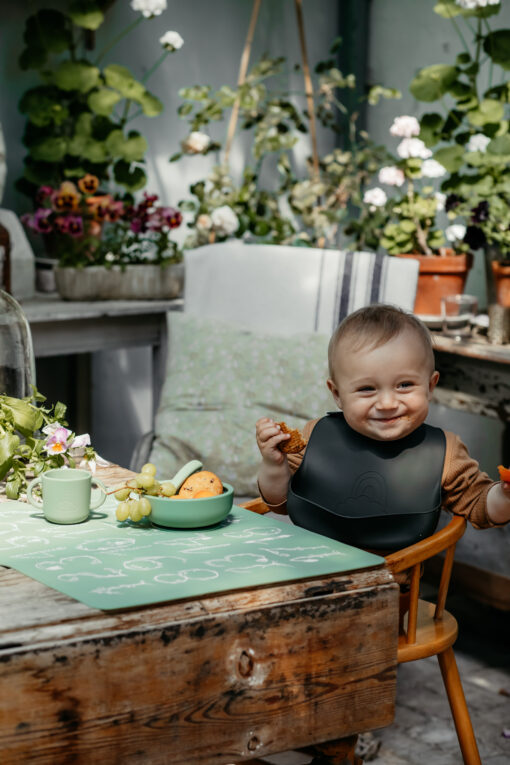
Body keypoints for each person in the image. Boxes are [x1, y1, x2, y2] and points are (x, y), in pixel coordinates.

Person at [256, 304, 510, 549]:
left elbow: (481, 505)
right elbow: (280, 502)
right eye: (367, 389)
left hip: (391, 584)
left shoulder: (445, 454)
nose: (387, 403)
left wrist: (505, 495)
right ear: (337, 394)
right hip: (304, 569)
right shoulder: (316, 435)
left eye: (405, 385)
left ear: (430, 386)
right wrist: (274, 465)